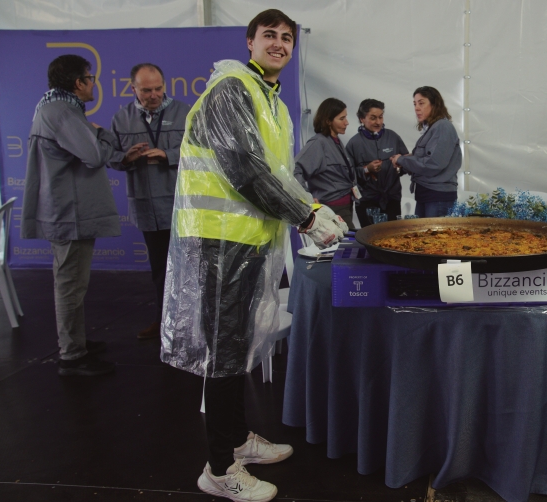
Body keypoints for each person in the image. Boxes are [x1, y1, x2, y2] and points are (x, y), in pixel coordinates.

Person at [159, 9, 347, 502]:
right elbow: (243, 169)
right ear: (249, 42)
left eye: (287, 38)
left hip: (248, 240)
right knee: (225, 350)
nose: (280, 43)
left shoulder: (270, 99)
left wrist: (312, 206)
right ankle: (219, 467)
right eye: (270, 35)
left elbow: (277, 175)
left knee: (237, 346)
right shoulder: (231, 91)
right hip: (220, 240)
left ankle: (238, 440)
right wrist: (306, 218)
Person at [20, 55, 120, 377]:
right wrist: (102, 134)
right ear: (79, 83)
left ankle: (75, 342)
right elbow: (93, 155)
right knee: (70, 285)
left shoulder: (50, 107)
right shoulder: (63, 112)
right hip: (69, 215)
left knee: (71, 283)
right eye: (90, 78)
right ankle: (72, 356)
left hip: (64, 211)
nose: (93, 83)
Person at [108, 63, 191, 340]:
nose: (154, 95)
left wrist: (169, 155)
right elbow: (113, 159)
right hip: (147, 207)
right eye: (146, 90)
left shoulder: (185, 112)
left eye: (158, 89)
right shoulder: (121, 119)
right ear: (133, 89)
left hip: (182, 206)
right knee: (159, 270)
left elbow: (201, 152)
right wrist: (126, 158)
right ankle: (163, 321)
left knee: (187, 268)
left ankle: (189, 322)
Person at [391, 86, 462, 218]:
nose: (417, 108)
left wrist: (402, 160)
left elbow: (433, 164)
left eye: (421, 103)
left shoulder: (443, 127)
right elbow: (428, 157)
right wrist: (408, 160)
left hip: (437, 197)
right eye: (415, 104)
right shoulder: (433, 128)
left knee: (435, 238)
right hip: (427, 194)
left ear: (435, 104)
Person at [293, 97, 357, 229]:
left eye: (346, 117)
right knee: (346, 244)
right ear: (328, 121)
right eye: (342, 118)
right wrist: (306, 197)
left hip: (346, 205)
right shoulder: (318, 143)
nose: (347, 122)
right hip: (332, 209)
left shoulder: (335, 141)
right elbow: (295, 169)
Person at [345, 98, 409, 225]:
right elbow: (348, 175)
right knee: (370, 240)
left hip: (392, 199)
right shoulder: (353, 143)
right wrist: (366, 169)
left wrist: (400, 164)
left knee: (392, 239)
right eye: (373, 118)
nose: (378, 122)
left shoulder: (393, 137)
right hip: (367, 201)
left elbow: (407, 164)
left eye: (381, 117)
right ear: (362, 118)